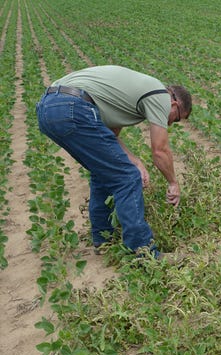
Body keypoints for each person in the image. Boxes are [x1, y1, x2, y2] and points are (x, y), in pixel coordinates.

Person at [36, 65, 192, 259]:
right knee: (127, 177)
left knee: (105, 172)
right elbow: (160, 151)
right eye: (175, 119)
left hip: (48, 108)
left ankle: (104, 240)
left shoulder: (125, 99)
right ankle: (144, 252)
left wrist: (135, 161)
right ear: (175, 104)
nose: (169, 124)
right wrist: (173, 183)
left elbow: (110, 139)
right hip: (73, 107)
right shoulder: (160, 94)